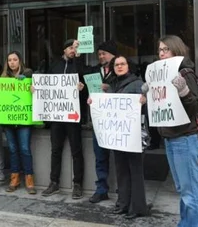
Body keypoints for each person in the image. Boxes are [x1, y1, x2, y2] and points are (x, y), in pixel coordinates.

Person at [141, 35, 198, 226]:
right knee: (183, 189)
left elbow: (195, 107)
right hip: (170, 138)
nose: (161, 53)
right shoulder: (161, 75)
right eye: (159, 50)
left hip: (185, 138)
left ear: (176, 49)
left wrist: (184, 91)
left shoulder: (185, 73)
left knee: (191, 193)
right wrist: (149, 94)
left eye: (165, 49)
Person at [89, 55, 149, 219]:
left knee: (135, 172)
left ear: (129, 66)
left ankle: (137, 207)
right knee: (121, 171)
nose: (120, 66)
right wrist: (94, 102)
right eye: (117, 64)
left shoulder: (138, 84)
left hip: (134, 136)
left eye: (123, 64)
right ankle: (123, 204)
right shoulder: (112, 86)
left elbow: (147, 108)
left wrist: (145, 101)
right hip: (119, 136)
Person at [42, 39, 86, 199]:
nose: (73, 50)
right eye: (70, 48)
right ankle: (54, 182)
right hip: (57, 115)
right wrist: (36, 88)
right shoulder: (55, 64)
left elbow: (85, 79)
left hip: (73, 115)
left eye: (75, 48)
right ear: (64, 50)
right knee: (55, 150)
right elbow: (46, 83)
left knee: (76, 150)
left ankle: (78, 184)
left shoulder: (79, 64)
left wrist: (82, 87)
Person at [2, 51, 36, 194]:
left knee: (25, 149)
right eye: (9, 60)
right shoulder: (3, 78)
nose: (12, 62)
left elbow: (36, 84)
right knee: (12, 150)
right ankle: (14, 178)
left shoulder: (28, 74)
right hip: (8, 121)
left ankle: (29, 179)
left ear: (20, 61)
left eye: (15, 59)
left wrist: (32, 87)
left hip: (23, 121)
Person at [88, 40, 117, 203]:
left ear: (112, 54)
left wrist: (109, 88)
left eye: (103, 53)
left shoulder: (123, 68)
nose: (100, 56)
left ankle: (124, 189)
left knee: (120, 157)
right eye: (98, 54)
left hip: (117, 122)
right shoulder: (93, 71)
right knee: (100, 157)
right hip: (99, 121)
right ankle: (101, 189)